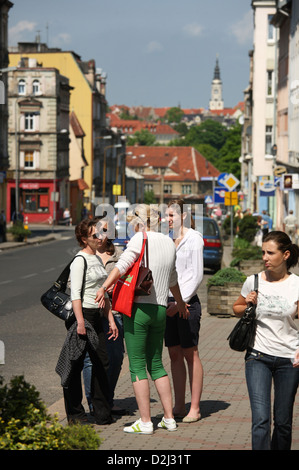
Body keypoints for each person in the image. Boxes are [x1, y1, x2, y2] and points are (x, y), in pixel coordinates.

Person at [95, 204, 189, 434]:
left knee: (137, 365)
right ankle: (169, 418)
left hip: (138, 309)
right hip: (160, 309)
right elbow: (173, 279)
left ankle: (145, 421)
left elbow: (124, 264)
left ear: (139, 222)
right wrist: (181, 303)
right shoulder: (169, 242)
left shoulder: (140, 238)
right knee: (156, 363)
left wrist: (104, 287)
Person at [233, 231, 299, 450]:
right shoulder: (253, 281)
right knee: (260, 421)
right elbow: (237, 308)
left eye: (270, 253)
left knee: (283, 423)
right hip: (257, 356)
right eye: (263, 252)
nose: (265, 257)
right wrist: (248, 303)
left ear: (286, 254)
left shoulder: (296, 285)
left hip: (289, 359)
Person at [60, 217, 118, 425]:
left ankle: (102, 413)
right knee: (75, 366)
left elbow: (103, 293)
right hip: (82, 315)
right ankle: (76, 415)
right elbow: (75, 294)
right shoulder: (79, 260)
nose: (101, 237)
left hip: (97, 315)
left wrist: (110, 319)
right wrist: (80, 322)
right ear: (85, 239)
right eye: (96, 235)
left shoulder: (96, 258)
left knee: (102, 362)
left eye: (101, 233)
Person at [164, 199, 204, 423]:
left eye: (171, 215)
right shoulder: (166, 238)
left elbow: (196, 275)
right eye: (166, 215)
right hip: (168, 302)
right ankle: (179, 405)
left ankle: (195, 407)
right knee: (174, 353)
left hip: (187, 304)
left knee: (191, 354)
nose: (167, 219)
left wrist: (181, 302)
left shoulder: (194, 238)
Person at [83, 216, 126, 416]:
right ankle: (94, 403)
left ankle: (107, 398)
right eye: (98, 231)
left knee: (116, 357)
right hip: (91, 314)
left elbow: (128, 283)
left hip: (114, 313)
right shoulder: (85, 256)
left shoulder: (121, 255)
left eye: (106, 230)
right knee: (91, 360)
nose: (102, 235)